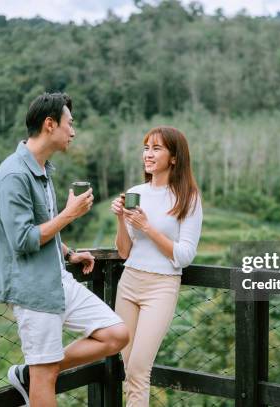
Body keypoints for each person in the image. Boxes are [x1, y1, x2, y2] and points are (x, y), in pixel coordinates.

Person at [0, 92, 129, 407]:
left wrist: (68, 254)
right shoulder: (14, 175)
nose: (73, 132)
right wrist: (69, 215)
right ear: (50, 125)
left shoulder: (42, 169)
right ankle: (39, 374)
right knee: (46, 382)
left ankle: (34, 372)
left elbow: (42, 227)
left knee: (116, 334)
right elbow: (22, 239)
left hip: (57, 280)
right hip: (33, 290)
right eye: (70, 124)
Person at [111, 126, 203, 406]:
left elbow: (185, 255)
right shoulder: (136, 192)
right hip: (129, 283)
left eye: (156, 148)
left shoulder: (188, 198)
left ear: (174, 158)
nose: (148, 155)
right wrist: (120, 219)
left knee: (139, 370)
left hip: (161, 287)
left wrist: (148, 228)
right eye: (146, 148)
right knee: (126, 368)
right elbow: (125, 251)